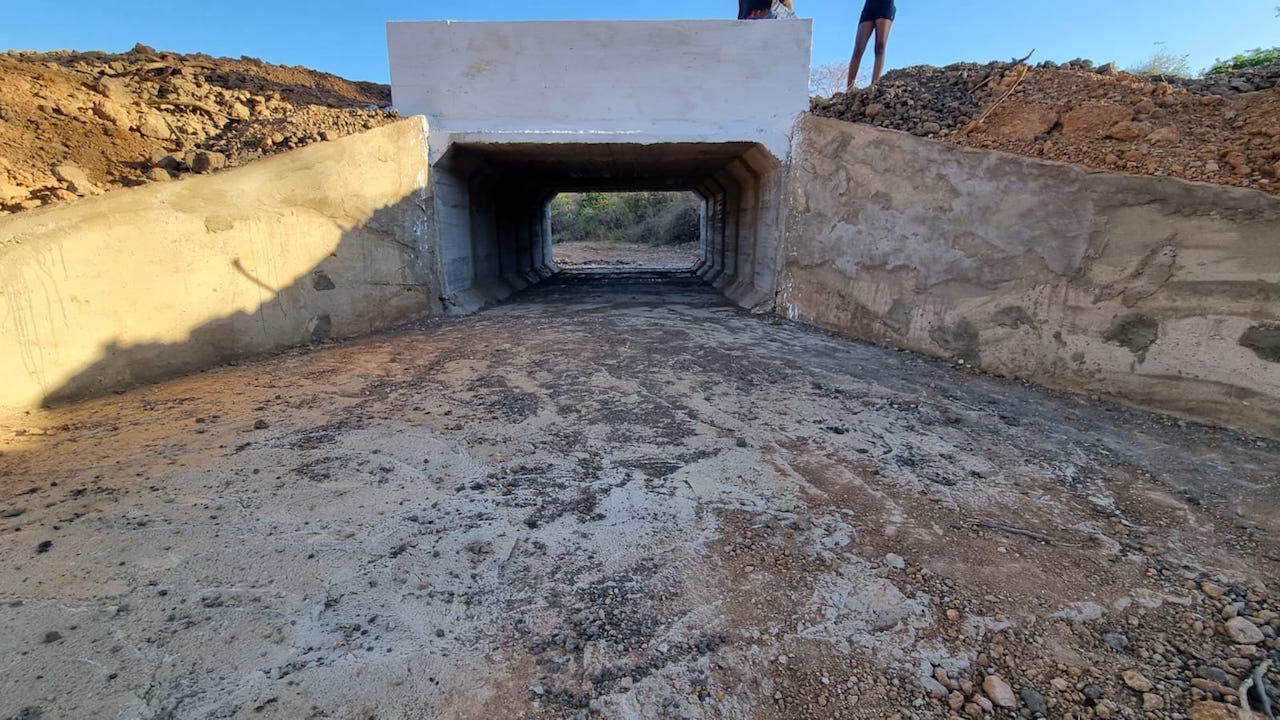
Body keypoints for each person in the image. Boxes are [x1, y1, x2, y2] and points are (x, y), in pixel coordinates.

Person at [847, 0, 895, 90]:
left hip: (885, 5)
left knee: (880, 47)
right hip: (870, 6)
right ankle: (849, 88)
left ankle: (874, 85)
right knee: (858, 48)